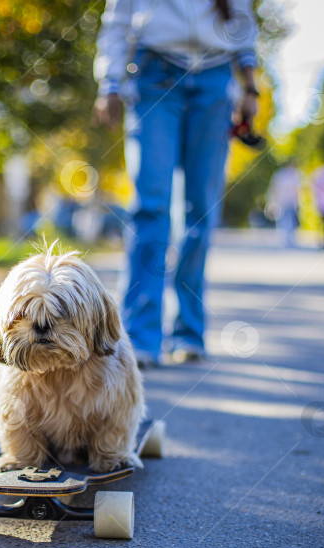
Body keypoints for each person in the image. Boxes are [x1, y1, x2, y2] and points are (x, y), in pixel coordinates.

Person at [93, 0, 259, 367]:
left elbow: (242, 19)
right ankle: (141, 336)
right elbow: (117, 22)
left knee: (201, 210)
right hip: (154, 74)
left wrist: (251, 86)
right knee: (151, 205)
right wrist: (110, 83)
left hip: (216, 81)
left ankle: (188, 331)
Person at [267, 161, 301, 248]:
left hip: (288, 201)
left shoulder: (292, 175)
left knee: (289, 220)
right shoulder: (285, 175)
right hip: (283, 201)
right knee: (285, 220)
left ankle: (287, 239)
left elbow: (297, 190)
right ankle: (286, 239)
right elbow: (275, 188)